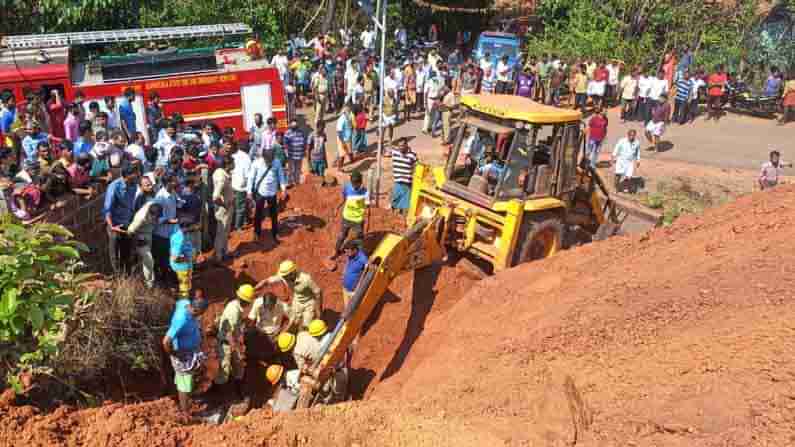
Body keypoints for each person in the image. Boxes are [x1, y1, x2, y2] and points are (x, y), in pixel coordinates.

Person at [162, 294, 208, 417]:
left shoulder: (185, 303)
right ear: (196, 310)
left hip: (191, 351)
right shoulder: (181, 319)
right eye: (200, 313)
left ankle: (188, 398)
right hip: (182, 354)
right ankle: (185, 413)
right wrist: (175, 354)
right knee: (184, 383)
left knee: (192, 376)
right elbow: (166, 341)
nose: (200, 316)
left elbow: (177, 301)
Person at [258, 260, 323, 333]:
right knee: (293, 320)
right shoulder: (284, 276)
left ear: (292, 273)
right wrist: (257, 287)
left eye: (286, 276)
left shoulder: (306, 279)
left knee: (306, 326)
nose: (284, 278)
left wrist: (318, 310)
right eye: (283, 276)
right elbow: (266, 281)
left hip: (309, 303)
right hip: (297, 300)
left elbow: (318, 292)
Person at [214, 284, 254, 399]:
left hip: (233, 341)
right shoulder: (234, 311)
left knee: (239, 369)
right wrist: (238, 350)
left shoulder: (236, 306)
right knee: (224, 372)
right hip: (226, 344)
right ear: (246, 301)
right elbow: (229, 334)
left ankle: (238, 392)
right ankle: (219, 395)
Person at [247, 148, 288, 244]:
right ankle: (257, 233)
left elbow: (281, 176)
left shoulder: (277, 162)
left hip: (272, 192)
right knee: (258, 214)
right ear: (263, 157)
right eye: (268, 160)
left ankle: (275, 233)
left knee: (274, 214)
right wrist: (249, 192)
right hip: (260, 192)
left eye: (271, 159)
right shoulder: (256, 163)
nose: (270, 161)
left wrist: (283, 189)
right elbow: (251, 178)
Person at [103, 165, 139, 274]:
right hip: (115, 224)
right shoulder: (114, 187)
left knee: (127, 251)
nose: (136, 176)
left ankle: (127, 276)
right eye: (134, 174)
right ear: (126, 176)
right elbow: (107, 209)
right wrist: (112, 226)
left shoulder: (134, 186)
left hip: (127, 222)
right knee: (114, 252)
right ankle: (117, 276)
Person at [332, 171, 369, 259]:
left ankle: (360, 257)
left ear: (360, 182)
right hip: (347, 217)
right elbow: (343, 199)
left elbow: (368, 208)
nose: (354, 185)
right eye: (353, 183)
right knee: (342, 235)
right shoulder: (347, 188)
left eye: (356, 183)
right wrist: (337, 208)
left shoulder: (365, 192)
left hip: (358, 220)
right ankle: (336, 251)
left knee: (359, 240)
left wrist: (367, 220)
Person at [127, 201, 163, 288]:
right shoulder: (141, 218)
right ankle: (149, 284)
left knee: (145, 261)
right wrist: (138, 242)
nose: (156, 219)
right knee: (148, 260)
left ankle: (141, 279)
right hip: (140, 237)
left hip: (148, 234)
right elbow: (130, 232)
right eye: (155, 217)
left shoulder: (153, 206)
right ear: (150, 214)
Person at [212, 155, 234, 263]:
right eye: (232, 163)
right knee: (221, 232)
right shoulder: (222, 178)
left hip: (224, 207)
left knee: (224, 231)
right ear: (228, 164)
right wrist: (224, 206)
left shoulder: (219, 172)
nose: (234, 165)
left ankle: (224, 252)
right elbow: (215, 197)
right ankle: (219, 257)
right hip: (224, 209)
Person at [390, 138, 418, 214]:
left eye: (402, 146)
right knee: (395, 201)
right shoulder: (394, 153)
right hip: (398, 182)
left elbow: (417, 166)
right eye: (399, 146)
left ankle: (402, 217)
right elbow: (383, 151)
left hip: (407, 183)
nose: (401, 147)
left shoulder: (412, 155)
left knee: (405, 205)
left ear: (406, 145)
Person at [170, 223, 194, 298]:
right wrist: (188, 258)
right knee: (184, 287)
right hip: (183, 267)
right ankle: (184, 301)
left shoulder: (178, 233)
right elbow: (175, 258)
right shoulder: (180, 238)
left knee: (184, 284)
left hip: (183, 266)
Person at [230, 142, 250, 231]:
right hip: (241, 185)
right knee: (241, 206)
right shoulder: (247, 158)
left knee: (234, 205)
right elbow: (247, 174)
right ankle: (238, 226)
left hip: (232, 183)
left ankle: (240, 221)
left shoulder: (234, 155)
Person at [341, 239, 368, 308]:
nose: (347, 254)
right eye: (346, 252)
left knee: (353, 311)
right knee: (347, 308)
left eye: (348, 252)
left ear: (355, 250)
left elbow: (366, 273)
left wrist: (358, 287)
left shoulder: (363, 259)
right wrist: (344, 272)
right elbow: (348, 261)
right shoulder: (351, 255)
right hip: (345, 288)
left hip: (353, 291)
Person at [284, 120, 306, 186]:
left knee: (298, 170)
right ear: (290, 126)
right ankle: (289, 182)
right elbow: (285, 144)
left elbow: (304, 142)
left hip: (299, 155)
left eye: (295, 126)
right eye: (293, 126)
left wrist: (304, 151)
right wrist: (287, 153)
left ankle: (296, 182)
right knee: (291, 170)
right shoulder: (287, 133)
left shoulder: (301, 132)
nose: (294, 127)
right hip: (291, 155)